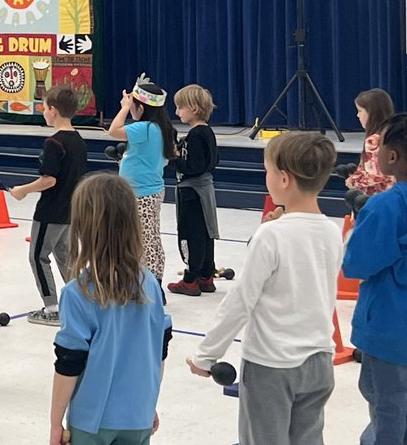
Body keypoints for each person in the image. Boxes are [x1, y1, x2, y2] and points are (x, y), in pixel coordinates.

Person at [188, 131, 341, 445]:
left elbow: (241, 301)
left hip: (272, 365)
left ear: (283, 179)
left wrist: (206, 355)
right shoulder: (331, 231)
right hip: (319, 361)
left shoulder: (270, 236)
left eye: (267, 171)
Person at [51, 173, 172, 445]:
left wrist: (55, 422)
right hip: (138, 415)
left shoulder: (77, 293)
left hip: (91, 420)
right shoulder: (150, 286)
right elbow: (158, 351)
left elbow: (69, 363)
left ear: (82, 227)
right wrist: (149, 401)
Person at [342, 112, 407, 444]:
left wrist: (363, 218)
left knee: (387, 412)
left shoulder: (386, 206)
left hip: (390, 332)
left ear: (392, 156)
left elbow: (357, 264)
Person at [7, 84, 88, 325]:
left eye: (43, 107)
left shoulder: (55, 143)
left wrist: (23, 190)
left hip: (51, 211)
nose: (43, 112)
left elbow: (49, 180)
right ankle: (81, 301)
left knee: (38, 256)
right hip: (70, 209)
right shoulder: (79, 141)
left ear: (52, 110)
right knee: (65, 255)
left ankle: (51, 306)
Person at [106, 74, 174, 280]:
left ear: (141, 108)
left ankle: (152, 282)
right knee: (149, 237)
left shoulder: (144, 128)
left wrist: (124, 107)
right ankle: (149, 279)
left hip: (141, 193)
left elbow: (113, 130)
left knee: (145, 240)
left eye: (133, 105)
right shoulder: (160, 128)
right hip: (146, 190)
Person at [167, 84, 221, 296]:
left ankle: (190, 279)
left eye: (181, 108)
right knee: (205, 232)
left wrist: (174, 158)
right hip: (203, 190)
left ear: (195, 108)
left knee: (190, 233)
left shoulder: (197, 135)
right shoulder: (205, 133)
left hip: (192, 192)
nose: (177, 112)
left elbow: (193, 166)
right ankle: (205, 275)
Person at [346, 88, 396, 207]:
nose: (357, 115)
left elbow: (375, 175)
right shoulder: (396, 134)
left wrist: (353, 181)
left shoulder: (374, 141)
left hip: (377, 200)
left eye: (360, 111)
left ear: (372, 113)